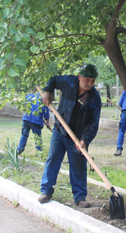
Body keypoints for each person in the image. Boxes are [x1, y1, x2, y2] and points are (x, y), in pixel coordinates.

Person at [38, 64, 101, 208]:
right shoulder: (68, 82)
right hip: (60, 130)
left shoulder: (94, 99)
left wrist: (84, 140)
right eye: (87, 80)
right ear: (79, 77)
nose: (89, 84)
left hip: (77, 138)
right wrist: (48, 92)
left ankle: (80, 197)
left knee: (78, 165)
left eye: (92, 81)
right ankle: (46, 191)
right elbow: (53, 80)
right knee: (53, 159)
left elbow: (93, 124)